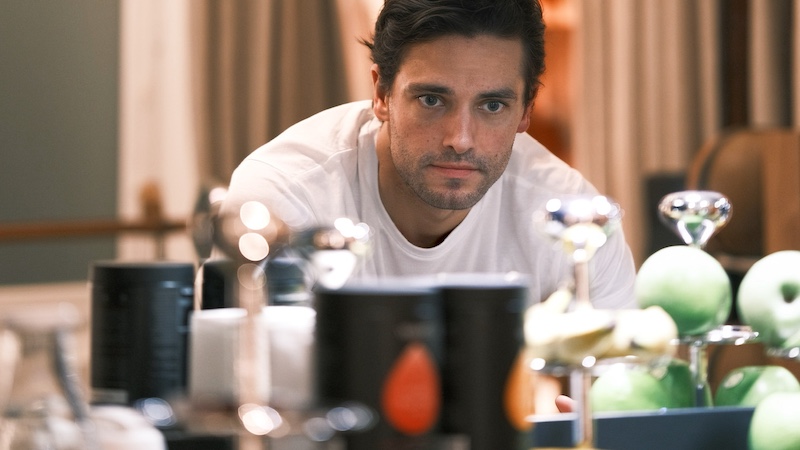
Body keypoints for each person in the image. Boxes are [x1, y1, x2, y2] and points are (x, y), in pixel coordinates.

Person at [220, 0, 636, 310]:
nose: (461, 139)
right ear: (381, 94)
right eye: (432, 99)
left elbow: (621, 397)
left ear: (526, 110)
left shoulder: (574, 222)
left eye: (492, 106)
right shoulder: (283, 201)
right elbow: (253, 388)